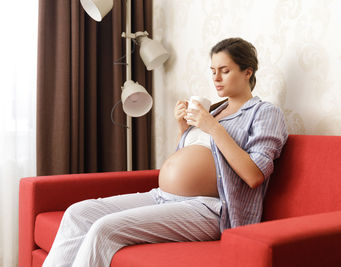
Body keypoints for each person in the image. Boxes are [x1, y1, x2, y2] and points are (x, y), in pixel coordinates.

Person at [43, 37, 288, 267]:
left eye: (225, 70)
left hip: (210, 209)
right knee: (78, 214)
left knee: (104, 229)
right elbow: (197, 158)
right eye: (213, 71)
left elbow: (255, 175)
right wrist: (184, 129)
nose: (216, 78)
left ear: (248, 72)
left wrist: (212, 128)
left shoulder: (264, 112)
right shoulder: (213, 110)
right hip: (163, 196)